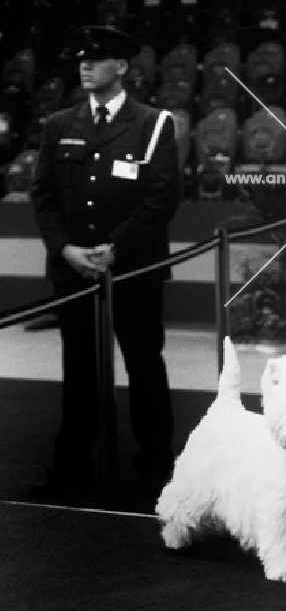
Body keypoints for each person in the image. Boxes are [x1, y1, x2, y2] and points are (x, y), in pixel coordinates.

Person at [30, 25, 180, 500]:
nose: (85, 67)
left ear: (122, 67)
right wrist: (65, 249)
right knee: (79, 372)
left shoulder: (154, 124)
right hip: (73, 270)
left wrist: (115, 246)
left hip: (132, 268)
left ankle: (158, 470)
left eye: (96, 59)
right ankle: (70, 470)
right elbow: (44, 195)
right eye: (81, 60)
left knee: (144, 367)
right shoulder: (59, 125)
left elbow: (162, 196)